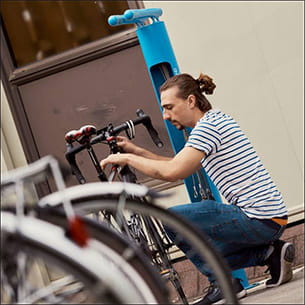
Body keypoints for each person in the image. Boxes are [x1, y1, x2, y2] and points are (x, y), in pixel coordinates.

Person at [100, 72, 295, 305]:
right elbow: (173, 164)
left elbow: (172, 173)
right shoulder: (215, 120)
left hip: (256, 217)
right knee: (203, 247)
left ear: (191, 101)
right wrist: (135, 151)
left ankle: (224, 284)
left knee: (172, 221)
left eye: (170, 107)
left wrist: (128, 161)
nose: (165, 115)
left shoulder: (207, 128)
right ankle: (270, 255)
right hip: (270, 218)